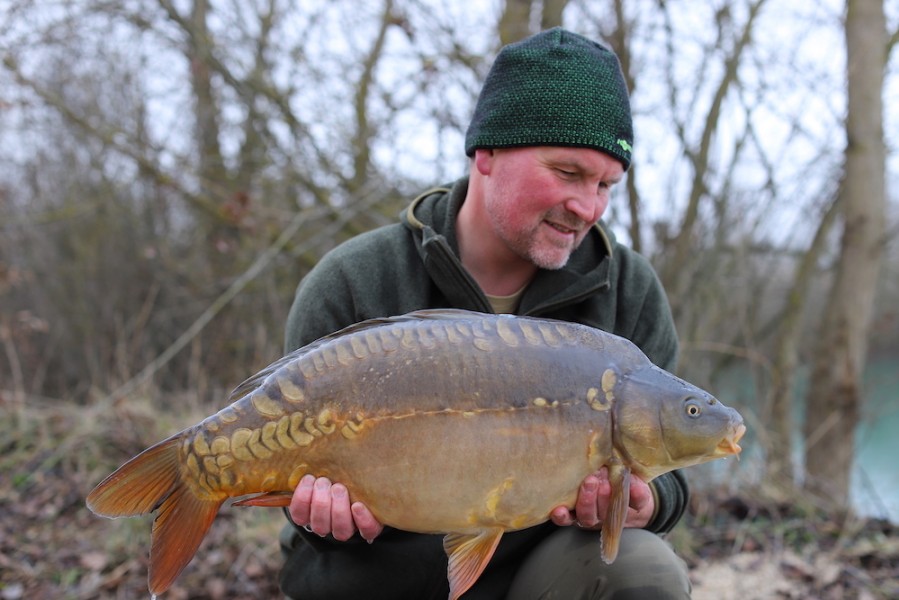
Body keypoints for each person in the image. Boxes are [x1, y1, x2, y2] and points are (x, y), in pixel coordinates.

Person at [278, 27, 692, 599]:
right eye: (568, 173)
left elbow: (671, 470)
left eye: (606, 184)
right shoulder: (354, 281)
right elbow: (289, 472)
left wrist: (648, 501)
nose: (587, 207)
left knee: (643, 571)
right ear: (487, 153)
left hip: (536, 574)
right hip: (374, 577)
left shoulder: (628, 291)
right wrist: (318, 516)